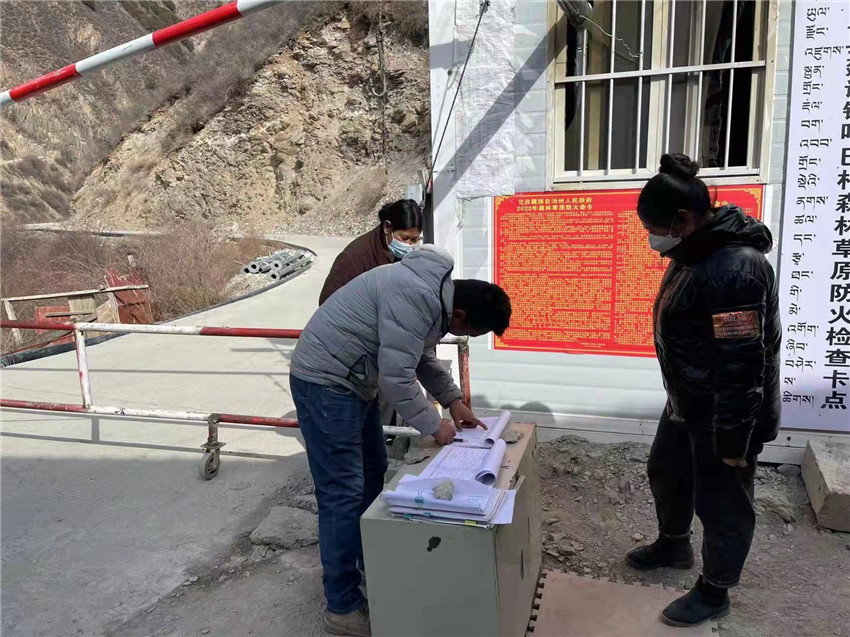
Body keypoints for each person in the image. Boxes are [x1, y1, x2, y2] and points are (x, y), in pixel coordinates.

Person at [290, 244, 511, 637]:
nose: (463, 335)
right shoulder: (417, 296)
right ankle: (342, 606)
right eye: (469, 333)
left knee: (373, 471)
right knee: (342, 492)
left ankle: (369, 563)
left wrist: (453, 401)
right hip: (326, 382)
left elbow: (418, 356)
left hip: (353, 379)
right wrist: (434, 425)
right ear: (459, 314)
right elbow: (397, 377)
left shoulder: (433, 294)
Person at [627, 154, 781, 627]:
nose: (653, 240)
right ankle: (674, 545)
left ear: (683, 220)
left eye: (655, 229)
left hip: (726, 410)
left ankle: (716, 590)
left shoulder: (735, 269)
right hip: (689, 398)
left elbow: (742, 365)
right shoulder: (694, 251)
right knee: (667, 471)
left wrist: (733, 440)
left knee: (722, 502)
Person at [318, 199, 423, 306]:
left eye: (414, 239)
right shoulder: (354, 257)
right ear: (387, 228)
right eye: (404, 238)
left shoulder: (406, 258)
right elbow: (327, 304)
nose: (408, 245)